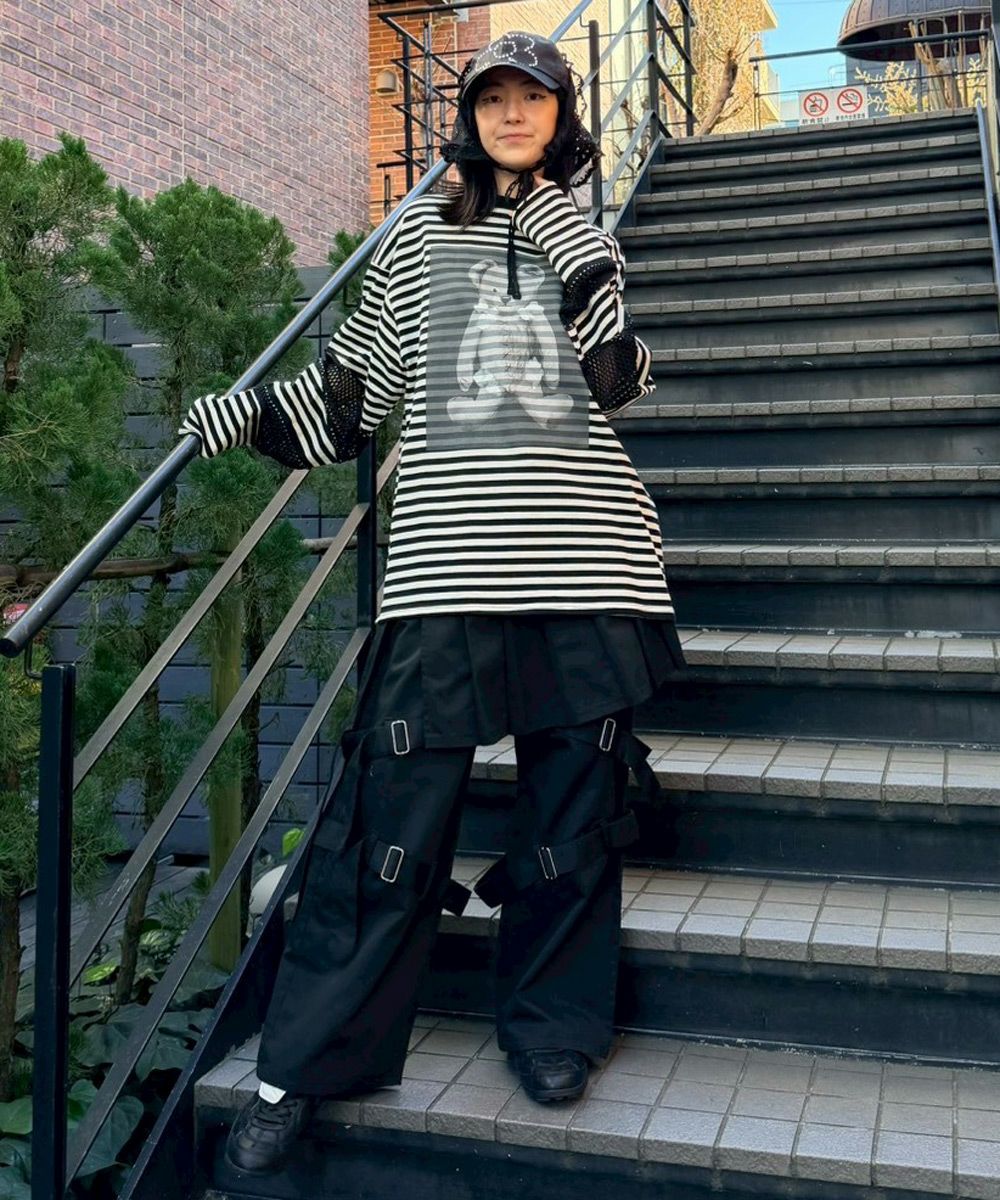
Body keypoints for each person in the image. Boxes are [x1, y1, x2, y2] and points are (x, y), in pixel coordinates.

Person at [178, 30, 685, 1177]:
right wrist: (241, 416)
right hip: (447, 565)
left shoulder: (587, 238)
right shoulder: (413, 238)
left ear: (560, 117)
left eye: (532, 98)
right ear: (468, 115)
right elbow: (352, 400)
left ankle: (553, 1032)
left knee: (572, 807)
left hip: (588, 557)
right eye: (491, 96)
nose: (511, 113)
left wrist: (573, 252)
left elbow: (615, 384)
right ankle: (304, 1064)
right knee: (386, 819)